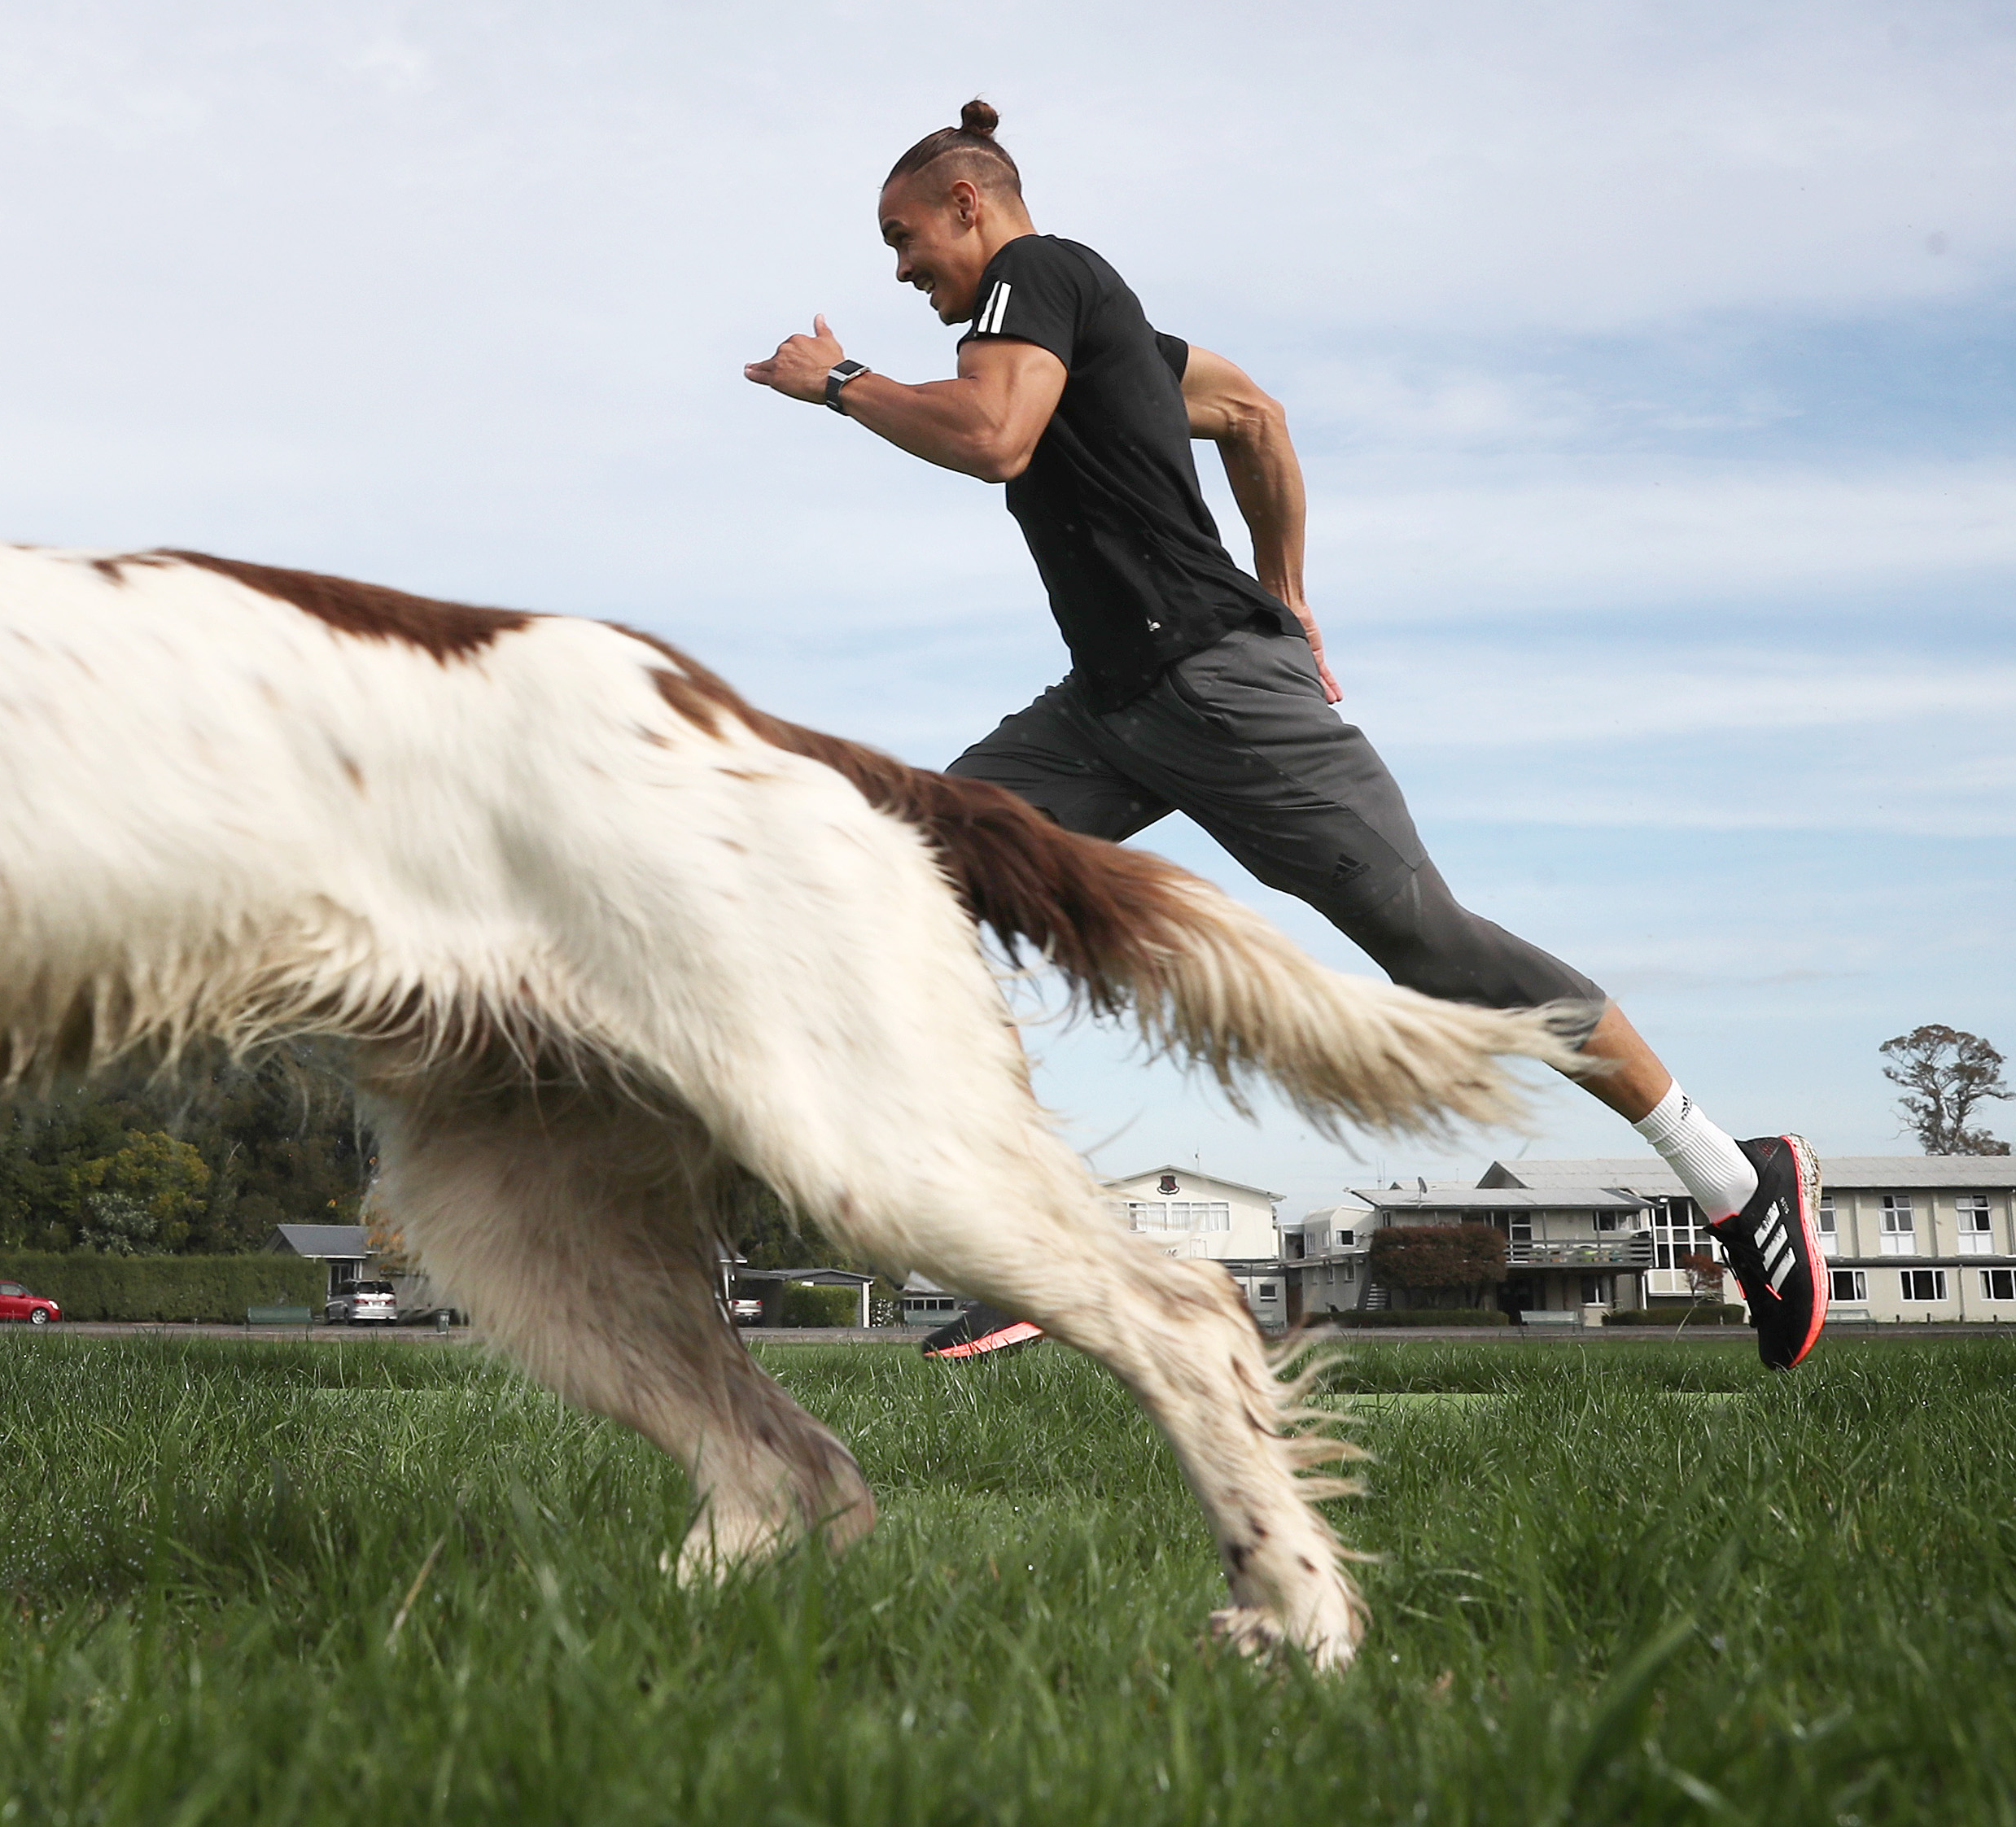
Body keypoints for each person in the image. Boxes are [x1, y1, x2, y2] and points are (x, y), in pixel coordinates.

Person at [745, 102, 1826, 1370]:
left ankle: (1734, 1179)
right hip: (1108, 706)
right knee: (899, 866)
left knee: (1432, 948)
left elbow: (994, 436)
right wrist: (1292, 588)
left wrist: (840, 382)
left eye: (904, 236)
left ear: (970, 205)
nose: (900, 270)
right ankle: (1043, 1233)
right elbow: (1253, 413)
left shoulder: (1036, 273)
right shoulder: (1106, 327)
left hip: (1211, 687)